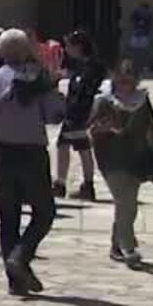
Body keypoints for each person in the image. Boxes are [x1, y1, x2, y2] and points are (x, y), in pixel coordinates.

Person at [0, 29, 66, 297]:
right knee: (44, 212)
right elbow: (54, 114)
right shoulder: (36, 78)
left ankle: (15, 280)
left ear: (1, 51)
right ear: (27, 50)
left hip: (1, 155)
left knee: (8, 218)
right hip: (31, 154)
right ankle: (21, 256)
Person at [89, 59, 153, 268]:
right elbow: (91, 129)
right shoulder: (104, 100)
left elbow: (152, 129)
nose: (125, 83)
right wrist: (106, 129)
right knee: (126, 202)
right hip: (111, 159)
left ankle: (116, 245)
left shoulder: (141, 100)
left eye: (129, 78)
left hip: (136, 159)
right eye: (121, 79)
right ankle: (129, 248)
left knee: (128, 205)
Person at [55, 29, 104, 201]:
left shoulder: (91, 67)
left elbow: (87, 92)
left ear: (79, 47)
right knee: (75, 146)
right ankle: (79, 184)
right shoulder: (80, 66)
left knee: (73, 146)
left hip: (80, 113)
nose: (66, 49)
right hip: (76, 112)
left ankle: (67, 184)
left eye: (69, 46)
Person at [129, 3, 153, 80]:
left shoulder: (145, 14)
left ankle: (138, 69)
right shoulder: (146, 14)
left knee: (139, 53)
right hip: (140, 34)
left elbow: (150, 24)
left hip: (141, 35)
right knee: (140, 53)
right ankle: (138, 69)